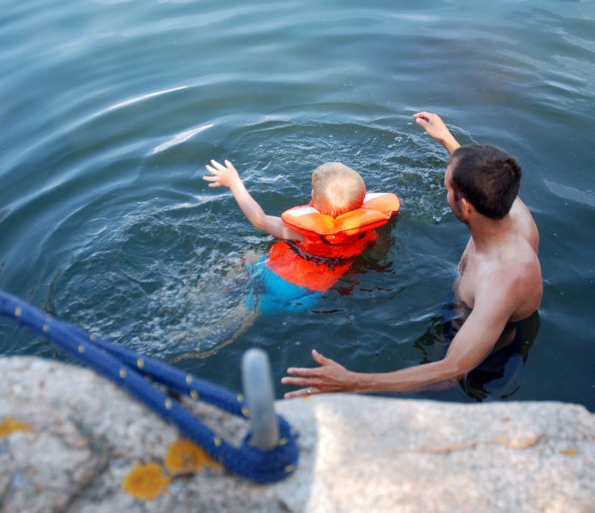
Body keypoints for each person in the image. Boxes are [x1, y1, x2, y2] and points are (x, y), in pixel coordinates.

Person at [281, 112, 542, 397]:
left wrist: (351, 382)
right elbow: (484, 177)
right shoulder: (506, 204)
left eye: (447, 188)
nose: (445, 191)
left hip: (489, 351)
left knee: (462, 386)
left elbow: (451, 371)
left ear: (465, 206)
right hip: (467, 306)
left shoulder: (503, 282)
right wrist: (445, 138)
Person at [203, 159, 399, 314]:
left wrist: (234, 183)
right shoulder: (367, 232)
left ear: (314, 197)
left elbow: (259, 220)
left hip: (278, 273)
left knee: (244, 259)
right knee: (244, 314)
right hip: (305, 293)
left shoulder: (305, 232)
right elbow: (379, 251)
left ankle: (200, 302)